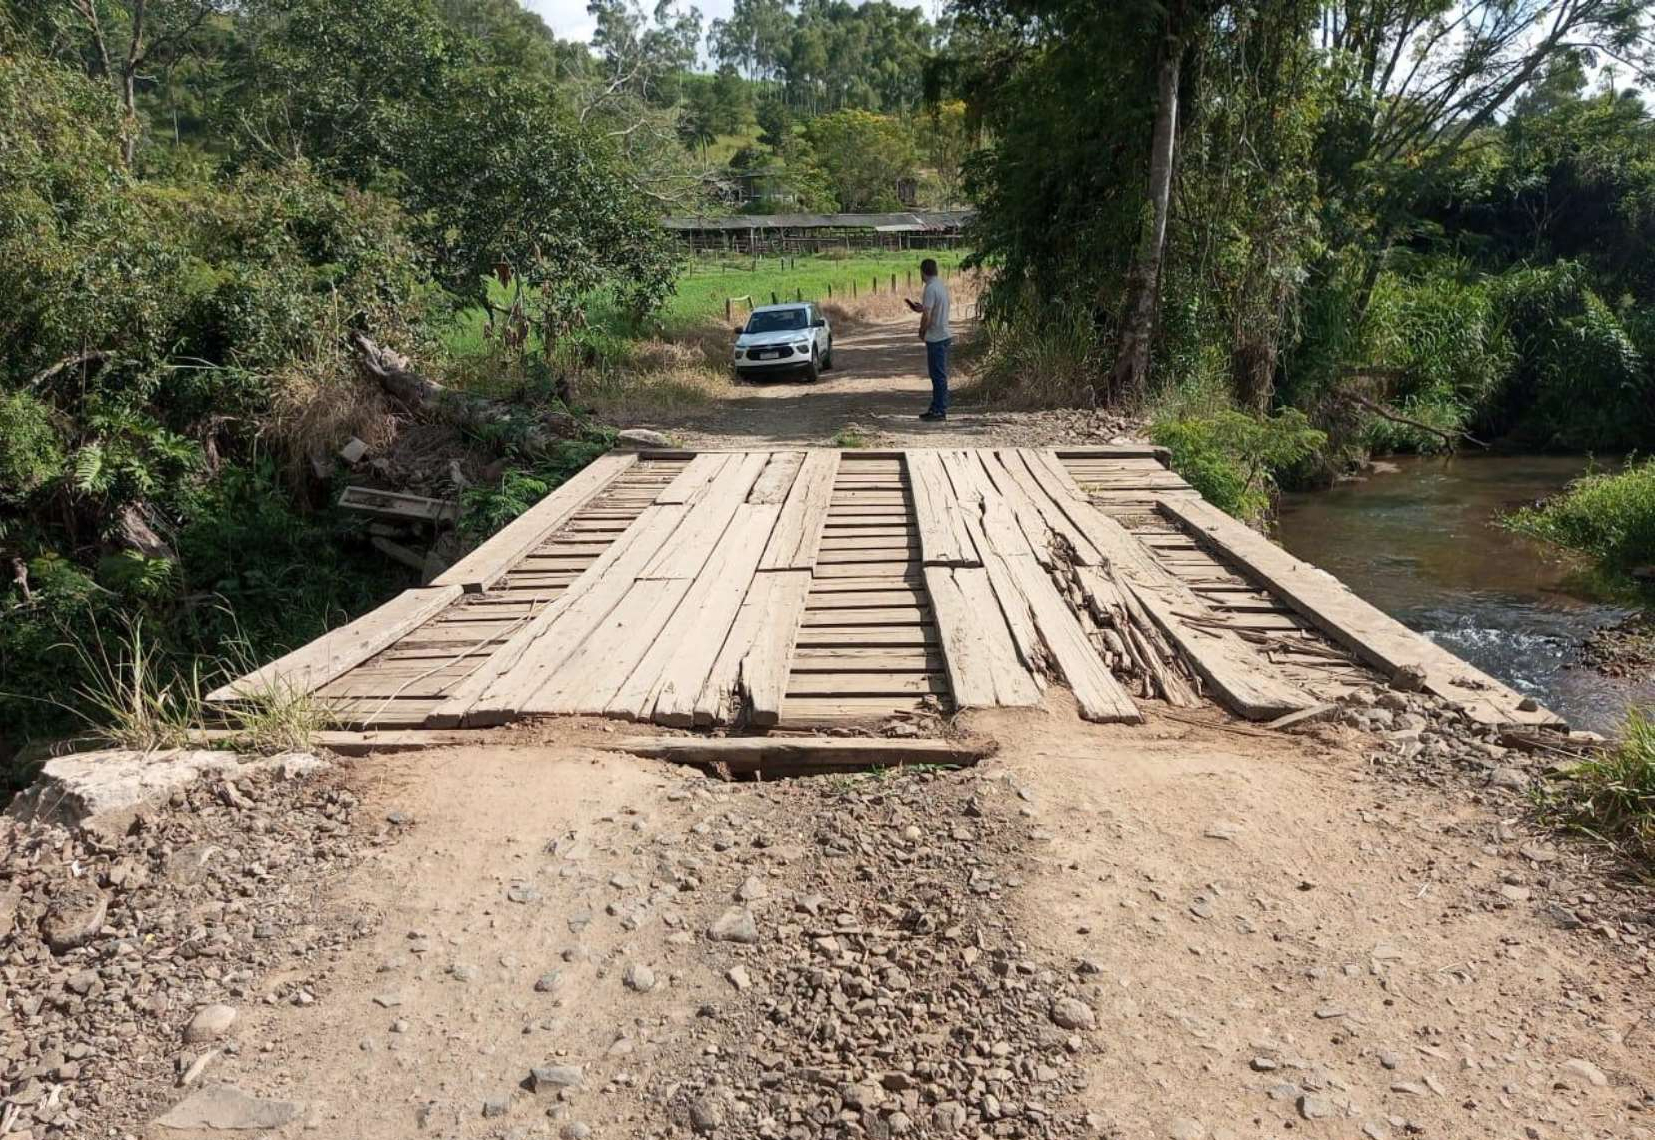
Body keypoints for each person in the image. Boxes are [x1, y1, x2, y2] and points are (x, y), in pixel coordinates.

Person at [908, 258, 951, 421]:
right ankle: (935, 407)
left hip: (936, 336)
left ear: (922, 272)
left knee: (938, 376)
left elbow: (927, 315)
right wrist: (921, 308)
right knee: (937, 375)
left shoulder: (930, 288)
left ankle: (940, 410)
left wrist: (921, 331)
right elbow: (930, 310)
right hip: (943, 333)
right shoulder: (940, 285)